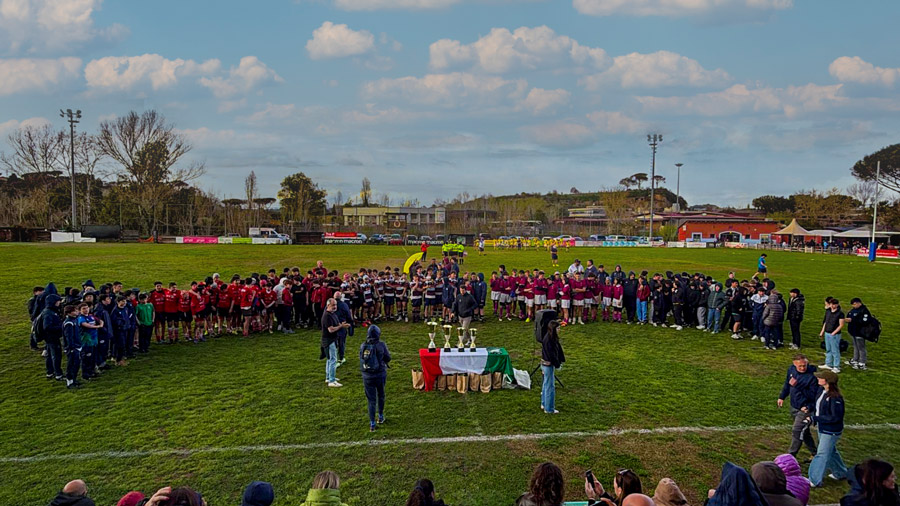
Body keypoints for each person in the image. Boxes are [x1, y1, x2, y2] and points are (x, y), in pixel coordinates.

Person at [808, 369, 848, 487]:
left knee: (822, 454)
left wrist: (815, 419)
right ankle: (840, 472)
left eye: (820, 377)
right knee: (831, 451)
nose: (818, 378)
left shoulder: (835, 398)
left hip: (831, 430)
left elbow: (835, 417)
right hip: (823, 427)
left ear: (827, 381)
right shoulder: (822, 391)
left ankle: (814, 480)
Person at [777, 354, 819, 459]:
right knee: (804, 432)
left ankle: (791, 456)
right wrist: (782, 396)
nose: (802, 368)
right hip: (794, 406)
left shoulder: (813, 377)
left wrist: (798, 385)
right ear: (794, 364)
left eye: (804, 365)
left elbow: (813, 395)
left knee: (797, 431)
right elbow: (788, 384)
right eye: (799, 366)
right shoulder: (791, 370)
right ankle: (814, 453)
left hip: (805, 409)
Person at [360, 324, 391, 431]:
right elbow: (388, 358)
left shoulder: (363, 345)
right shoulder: (381, 345)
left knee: (371, 400)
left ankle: (372, 423)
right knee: (381, 395)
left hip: (367, 375)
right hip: (380, 374)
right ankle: (381, 416)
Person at [321, 298, 348, 387]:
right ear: (328, 305)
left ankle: (328, 377)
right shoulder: (327, 316)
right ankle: (331, 381)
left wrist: (341, 325)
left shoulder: (332, 314)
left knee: (329, 359)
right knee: (333, 360)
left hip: (331, 340)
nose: (335, 307)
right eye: (333, 305)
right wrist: (341, 327)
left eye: (336, 305)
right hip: (329, 340)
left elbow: (335, 325)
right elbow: (331, 330)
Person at [540, 320, 565, 414]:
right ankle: (549, 408)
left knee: (545, 385)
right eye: (558, 328)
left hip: (544, 364)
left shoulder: (548, 337)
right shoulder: (550, 340)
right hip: (548, 365)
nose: (559, 330)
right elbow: (552, 355)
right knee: (550, 387)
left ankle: (544, 403)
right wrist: (557, 364)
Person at [38, 292, 64, 381]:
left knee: (50, 355)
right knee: (56, 355)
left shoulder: (48, 311)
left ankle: (50, 372)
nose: (59, 303)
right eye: (58, 301)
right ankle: (58, 374)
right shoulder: (49, 313)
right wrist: (61, 327)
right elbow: (47, 327)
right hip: (52, 337)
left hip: (49, 337)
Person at [844, 297, 872, 371]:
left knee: (861, 347)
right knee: (855, 346)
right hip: (853, 332)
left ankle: (862, 362)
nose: (854, 306)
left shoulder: (864, 311)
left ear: (859, 303)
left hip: (860, 332)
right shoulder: (854, 310)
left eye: (855, 304)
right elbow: (849, 316)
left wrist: (852, 320)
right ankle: (855, 359)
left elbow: (865, 322)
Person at [820, 298, 845, 373]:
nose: (833, 306)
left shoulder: (840, 313)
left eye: (835, 304)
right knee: (828, 349)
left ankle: (836, 366)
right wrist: (822, 331)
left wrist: (834, 332)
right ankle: (828, 363)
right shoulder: (828, 311)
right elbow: (826, 322)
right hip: (827, 332)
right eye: (832, 304)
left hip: (834, 334)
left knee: (835, 350)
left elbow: (841, 325)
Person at [334, 292, 354, 366]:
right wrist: (350, 326)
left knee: (334, 343)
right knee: (341, 343)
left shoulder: (329, 304)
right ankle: (340, 358)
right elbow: (349, 316)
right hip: (342, 325)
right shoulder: (344, 305)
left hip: (332, 326)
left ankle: (333, 358)